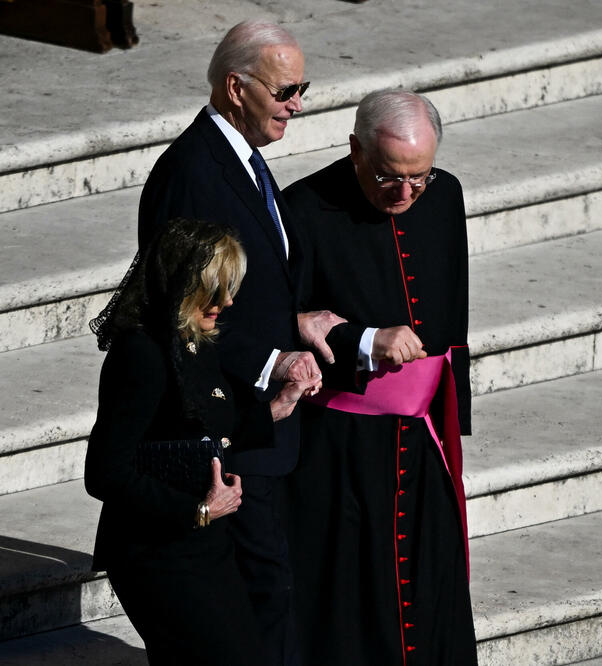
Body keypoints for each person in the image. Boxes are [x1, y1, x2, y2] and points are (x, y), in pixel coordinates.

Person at [135, 21, 345, 664]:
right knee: (261, 592)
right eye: (285, 90)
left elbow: (252, 283)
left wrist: (296, 321)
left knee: (268, 589)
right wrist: (270, 358)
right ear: (235, 88)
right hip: (228, 421)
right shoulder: (194, 172)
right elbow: (183, 309)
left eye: (302, 88)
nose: (297, 104)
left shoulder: (244, 163)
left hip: (261, 422)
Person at [283, 90, 477, 665]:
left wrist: (452, 411)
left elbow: (454, 307)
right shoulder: (303, 210)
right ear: (355, 149)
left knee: (430, 589)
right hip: (341, 447)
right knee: (352, 601)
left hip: (422, 440)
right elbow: (277, 321)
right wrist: (363, 339)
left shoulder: (446, 198)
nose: (407, 193)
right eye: (390, 177)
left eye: (420, 177)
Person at [85, 219, 320, 665]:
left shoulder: (194, 341)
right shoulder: (141, 355)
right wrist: (199, 509)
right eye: (214, 289)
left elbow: (208, 425)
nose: (226, 302)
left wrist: (277, 406)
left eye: (229, 288)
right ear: (181, 283)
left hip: (203, 544)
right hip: (155, 551)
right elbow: (105, 473)